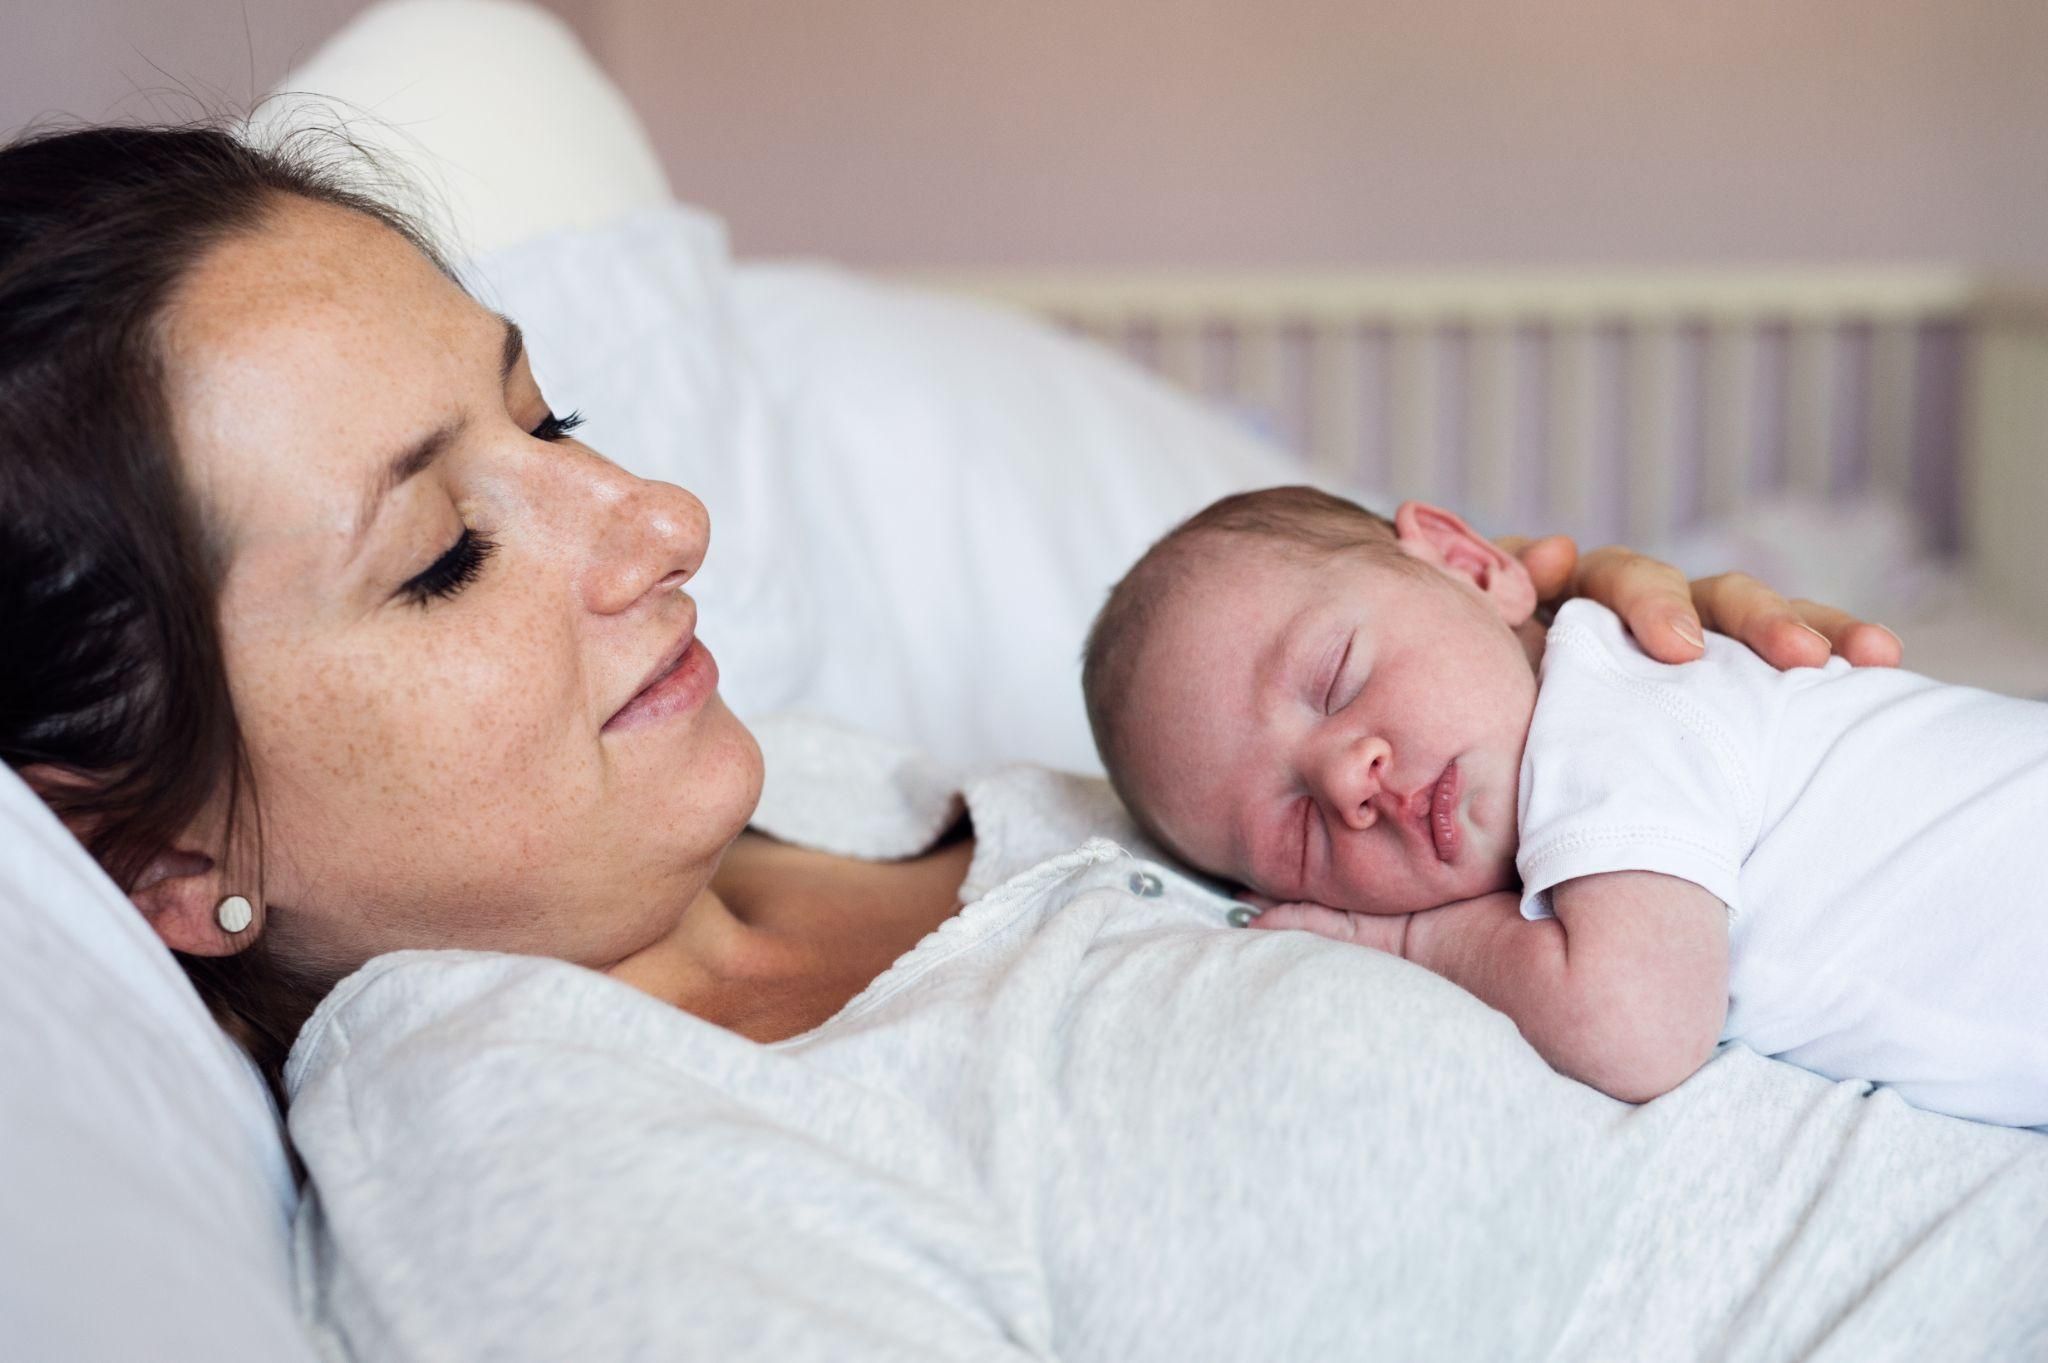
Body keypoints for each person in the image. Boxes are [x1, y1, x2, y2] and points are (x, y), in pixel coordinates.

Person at [17, 122, 2024, 1361]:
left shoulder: (833, 776)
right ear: (164, 857)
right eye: (449, 552)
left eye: (547, 423)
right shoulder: (549, 1144)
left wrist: (1640, 708)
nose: (663, 520)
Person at [1082, 485, 2048, 1127]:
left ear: (1469, 566)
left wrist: (1414, 943)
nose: (1346, 781)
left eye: (1336, 677)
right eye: (1293, 831)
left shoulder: (1612, 707)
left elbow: (1632, 1023)